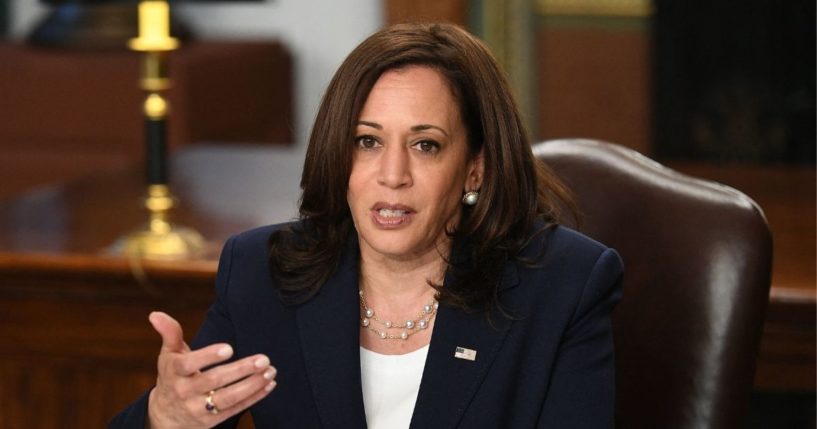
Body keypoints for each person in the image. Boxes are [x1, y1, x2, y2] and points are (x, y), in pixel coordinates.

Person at [110, 22, 623, 428]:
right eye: (367, 142)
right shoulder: (262, 272)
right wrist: (165, 417)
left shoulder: (564, 285)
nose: (392, 176)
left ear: (476, 167)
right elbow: (194, 408)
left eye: (426, 145)